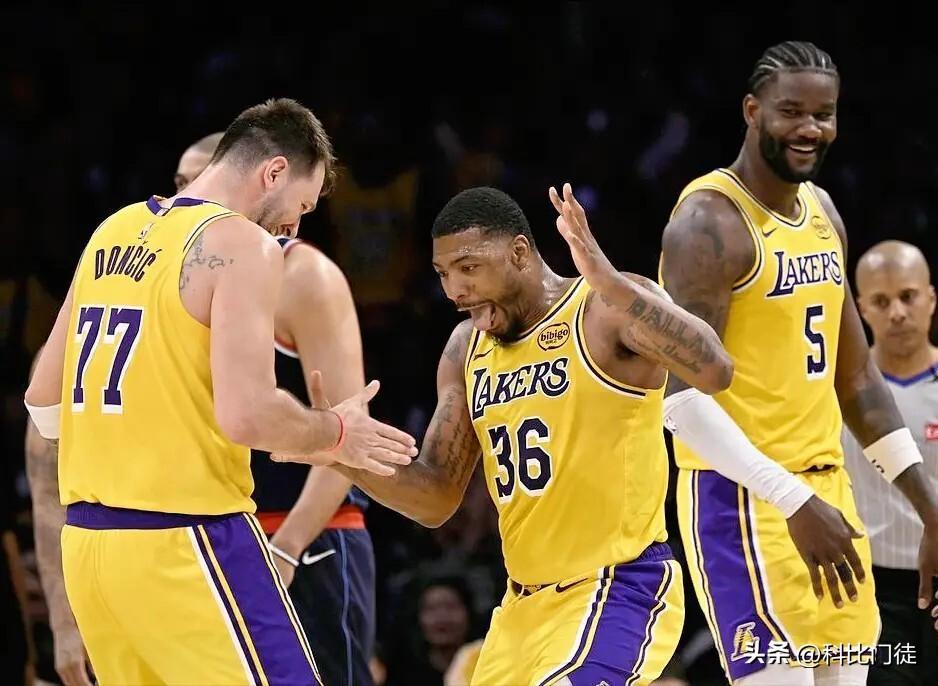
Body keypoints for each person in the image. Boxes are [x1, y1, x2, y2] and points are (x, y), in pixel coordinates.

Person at [23, 97, 417, 685]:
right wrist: (337, 432)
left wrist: (141, 434)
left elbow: (43, 401)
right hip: (189, 540)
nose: (295, 227)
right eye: (302, 205)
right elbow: (248, 415)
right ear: (274, 172)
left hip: (91, 552)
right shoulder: (241, 245)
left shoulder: (113, 230)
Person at [279, 184, 736, 684]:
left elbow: (714, 368)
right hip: (521, 610)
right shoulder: (465, 349)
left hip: (616, 587)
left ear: (519, 252)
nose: (454, 290)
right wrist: (336, 447)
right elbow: (435, 498)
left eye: (468, 267)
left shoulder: (604, 307)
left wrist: (609, 280)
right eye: (443, 274)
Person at [658, 41, 938, 686]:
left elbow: (857, 379)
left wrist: (929, 507)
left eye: (824, 114)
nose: (810, 128)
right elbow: (681, 401)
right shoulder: (707, 223)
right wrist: (792, 499)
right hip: (743, 498)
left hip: (829, 495)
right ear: (752, 111)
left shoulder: (823, 213)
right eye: (791, 112)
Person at [842, 240, 938, 685]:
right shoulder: (836, 395)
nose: (897, 312)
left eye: (908, 296)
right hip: (870, 589)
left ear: (931, 298)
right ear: (862, 309)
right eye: (882, 301)